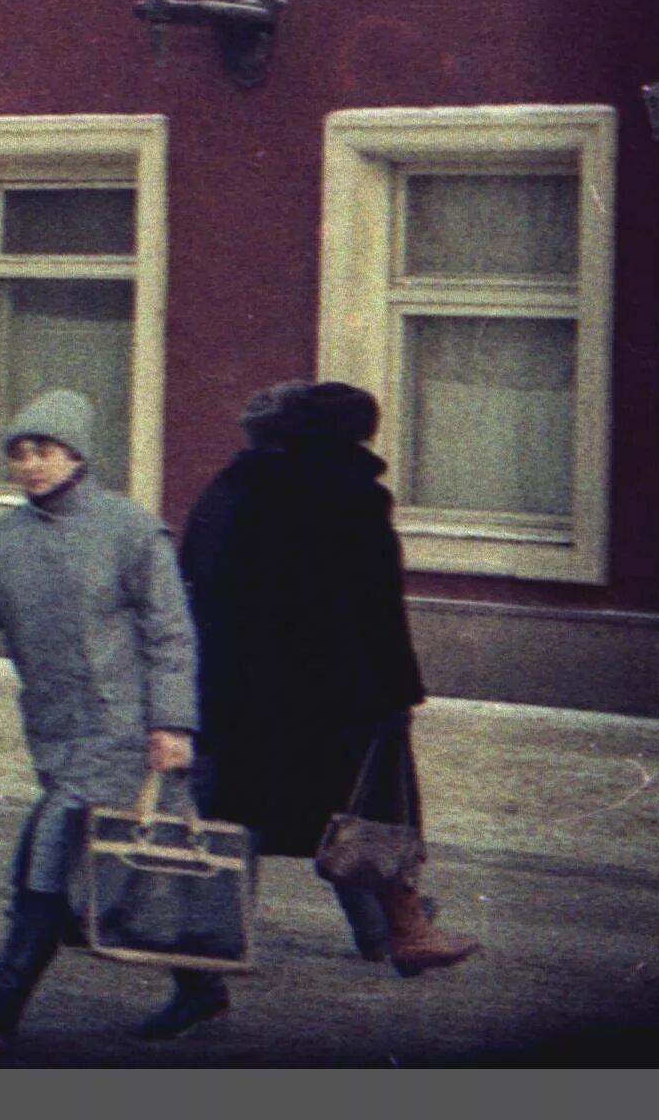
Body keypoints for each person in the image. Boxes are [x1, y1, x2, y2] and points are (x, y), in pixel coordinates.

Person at [0, 390, 219, 1049]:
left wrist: (173, 723)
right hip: (56, 730)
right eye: (19, 454)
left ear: (77, 455)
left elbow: (172, 635)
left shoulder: (131, 531)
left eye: (44, 451)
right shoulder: (4, 542)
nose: (30, 465)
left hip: (124, 729)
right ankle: (202, 989)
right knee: (116, 865)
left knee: (47, 856)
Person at [179, 379, 476, 976]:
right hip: (344, 692)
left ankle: (215, 947)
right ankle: (397, 930)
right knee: (361, 810)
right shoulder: (353, 497)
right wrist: (398, 692)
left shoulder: (236, 489)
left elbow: (197, 580)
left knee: (248, 813)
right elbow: (376, 609)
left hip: (245, 690)